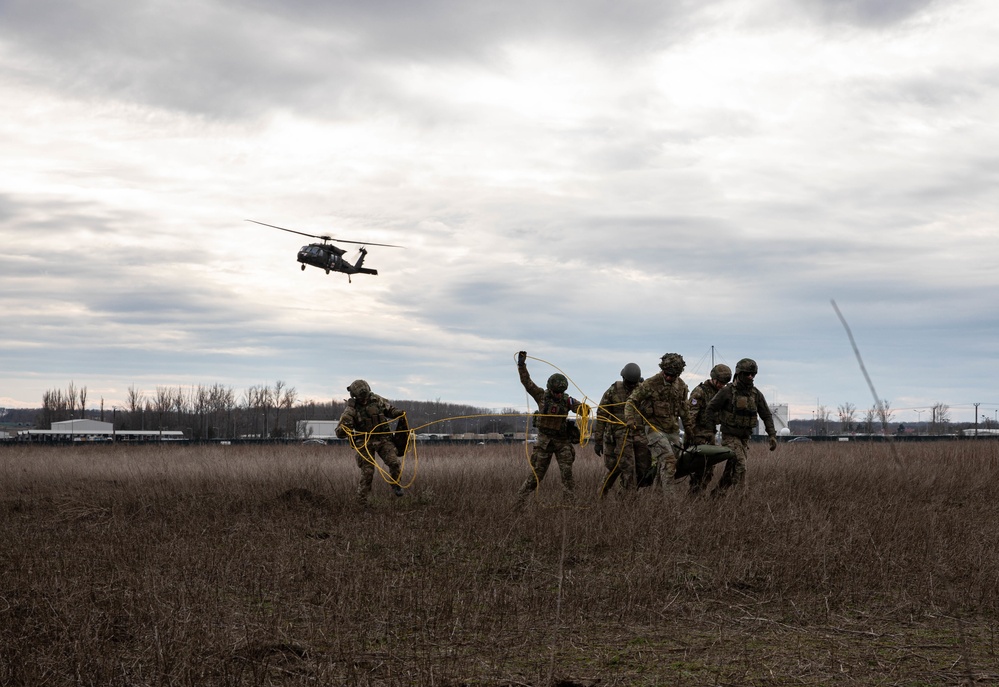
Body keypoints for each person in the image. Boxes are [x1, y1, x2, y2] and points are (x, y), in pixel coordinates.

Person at [515, 351, 585, 506]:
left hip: (562, 442)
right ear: (550, 390)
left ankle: (570, 504)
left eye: (561, 393)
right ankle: (518, 503)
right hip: (544, 442)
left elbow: (580, 407)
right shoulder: (540, 396)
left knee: (567, 475)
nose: (559, 395)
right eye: (557, 393)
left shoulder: (567, 400)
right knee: (536, 476)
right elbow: (527, 382)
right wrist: (521, 365)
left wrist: (584, 409)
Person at [624, 353, 694, 496]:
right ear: (662, 370)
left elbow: (684, 409)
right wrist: (630, 419)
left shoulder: (681, 387)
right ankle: (672, 506)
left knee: (667, 465)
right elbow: (631, 401)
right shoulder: (650, 384)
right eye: (666, 374)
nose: (668, 377)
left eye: (672, 375)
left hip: (672, 431)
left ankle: (655, 499)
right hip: (654, 430)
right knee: (669, 463)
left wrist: (689, 428)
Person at [706, 358, 777, 494]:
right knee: (741, 465)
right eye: (747, 374)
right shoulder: (727, 391)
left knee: (731, 469)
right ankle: (741, 500)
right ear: (739, 373)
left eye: (753, 374)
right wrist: (711, 431)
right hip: (730, 437)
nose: (750, 377)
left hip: (744, 438)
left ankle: (717, 494)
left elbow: (766, 415)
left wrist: (772, 435)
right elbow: (710, 408)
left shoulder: (755, 394)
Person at [335, 379, 406, 504]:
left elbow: (389, 410)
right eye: (361, 397)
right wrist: (346, 427)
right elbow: (339, 432)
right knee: (368, 471)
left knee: (394, 463)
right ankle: (362, 501)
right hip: (364, 442)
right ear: (355, 396)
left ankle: (396, 484)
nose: (364, 399)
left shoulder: (377, 400)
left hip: (383, 438)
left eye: (366, 396)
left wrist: (398, 413)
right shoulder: (351, 409)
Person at [593, 362, 652, 496]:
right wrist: (598, 441)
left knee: (643, 468)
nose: (631, 386)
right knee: (626, 468)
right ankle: (624, 499)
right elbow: (602, 415)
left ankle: (625, 493)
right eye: (629, 383)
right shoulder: (613, 390)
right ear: (624, 378)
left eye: (634, 383)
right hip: (619, 435)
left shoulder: (642, 390)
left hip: (639, 434)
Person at [685, 363, 732, 494]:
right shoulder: (700, 392)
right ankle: (695, 495)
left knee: (709, 469)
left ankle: (698, 494)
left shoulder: (721, 393)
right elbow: (691, 416)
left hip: (710, 435)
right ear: (714, 378)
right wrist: (690, 436)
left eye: (724, 383)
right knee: (702, 468)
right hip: (698, 435)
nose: (722, 385)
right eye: (720, 382)